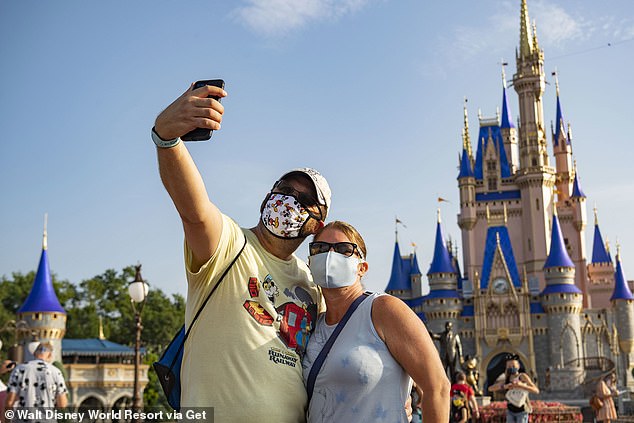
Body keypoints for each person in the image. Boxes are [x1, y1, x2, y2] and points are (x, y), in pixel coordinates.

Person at [152, 83, 331, 421]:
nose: (289, 201)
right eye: (284, 190)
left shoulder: (314, 285)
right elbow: (194, 209)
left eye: (305, 200)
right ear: (268, 196)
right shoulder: (230, 244)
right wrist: (166, 138)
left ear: (317, 224)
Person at [302, 221, 450, 422]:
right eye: (320, 248)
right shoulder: (313, 325)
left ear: (362, 267)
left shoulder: (383, 310)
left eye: (343, 249)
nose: (330, 255)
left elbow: (438, 387)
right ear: (310, 262)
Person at [3, 343, 67, 421]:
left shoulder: (19, 369)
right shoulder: (56, 372)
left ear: (34, 353)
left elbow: (9, 401)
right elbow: (62, 404)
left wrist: (6, 420)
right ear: (50, 355)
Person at [488, 354, 539, 423]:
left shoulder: (522, 377)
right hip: (510, 411)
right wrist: (504, 386)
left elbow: (536, 390)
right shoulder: (506, 378)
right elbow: (490, 388)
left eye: (513, 366)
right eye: (509, 366)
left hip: (521, 410)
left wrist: (521, 386)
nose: (511, 368)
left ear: (518, 366)